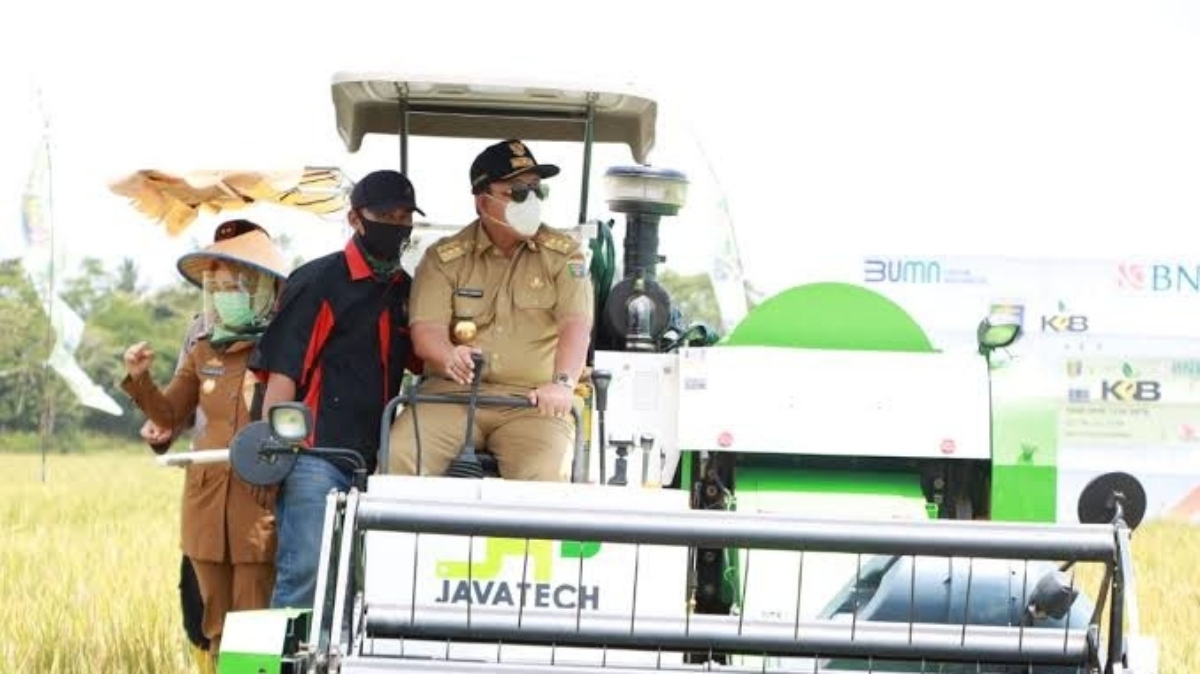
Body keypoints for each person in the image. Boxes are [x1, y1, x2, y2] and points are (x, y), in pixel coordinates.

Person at [249, 169, 423, 611]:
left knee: (364, 586)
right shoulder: (318, 281)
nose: (397, 225)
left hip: (379, 464)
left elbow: (425, 360)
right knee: (307, 574)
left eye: (404, 217)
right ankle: (291, 649)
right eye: (385, 216)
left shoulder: (405, 291)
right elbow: (283, 375)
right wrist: (273, 457)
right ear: (355, 219)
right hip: (314, 457)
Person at [120, 225, 290, 663]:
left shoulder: (285, 349)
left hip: (258, 503)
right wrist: (140, 379)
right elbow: (169, 415)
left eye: (234, 287)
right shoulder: (202, 350)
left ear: (261, 290)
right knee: (213, 621)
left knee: (255, 620)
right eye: (218, 288)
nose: (224, 297)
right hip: (205, 503)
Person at [387, 139, 593, 481]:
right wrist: (448, 355)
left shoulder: (564, 255)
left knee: (546, 473)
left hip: (533, 402)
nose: (531, 201)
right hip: (451, 397)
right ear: (483, 202)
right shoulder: (444, 258)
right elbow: (426, 333)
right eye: (518, 193)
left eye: (537, 191)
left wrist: (562, 384)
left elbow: (576, 324)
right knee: (400, 455)